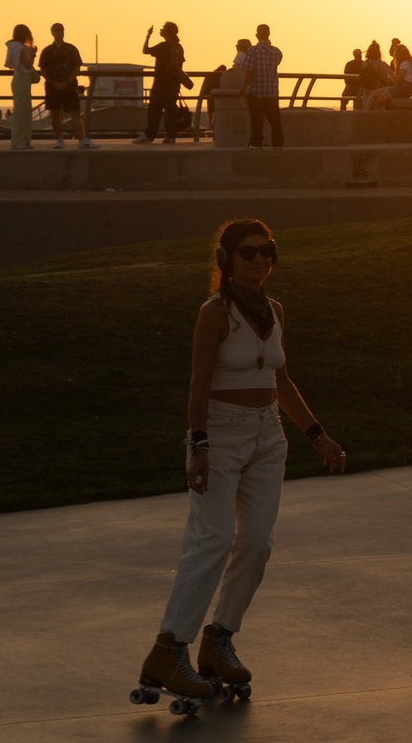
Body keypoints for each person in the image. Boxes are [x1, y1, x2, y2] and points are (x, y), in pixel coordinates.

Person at [132, 218, 348, 712]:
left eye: (266, 249)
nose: (259, 258)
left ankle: (219, 640)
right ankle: (168, 649)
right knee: (211, 539)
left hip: (268, 435)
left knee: (256, 543)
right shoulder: (215, 313)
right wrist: (199, 444)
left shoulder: (275, 310)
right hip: (221, 434)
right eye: (248, 251)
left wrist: (317, 435)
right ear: (226, 260)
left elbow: (281, 381)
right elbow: (199, 382)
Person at [37, 23, 93, 149]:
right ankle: (59, 140)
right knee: (55, 113)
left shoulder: (71, 49)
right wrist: (54, 83)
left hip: (70, 86)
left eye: (61, 30)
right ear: (52, 33)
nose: (59, 32)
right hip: (52, 87)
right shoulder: (47, 51)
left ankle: (82, 139)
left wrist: (67, 82)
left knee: (75, 112)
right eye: (57, 30)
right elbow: (43, 70)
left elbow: (77, 68)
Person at [141, 22, 192, 143]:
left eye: (163, 28)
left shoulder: (163, 46)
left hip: (161, 84)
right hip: (174, 85)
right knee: (170, 111)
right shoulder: (178, 48)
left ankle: (149, 136)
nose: (161, 30)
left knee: (154, 110)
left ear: (168, 32)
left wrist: (148, 35)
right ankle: (171, 136)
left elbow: (145, 50)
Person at [236, 23, 285, 148]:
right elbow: (277, 62)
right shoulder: (276, 52)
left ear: (257, 35)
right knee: (275, 120)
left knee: (256, 120)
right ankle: (278, 143)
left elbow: (249, 71)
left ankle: (256, 142)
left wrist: (244, 87)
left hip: (256, 91)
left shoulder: (252, 51)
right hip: (272, 92)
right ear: (269, 34)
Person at [3, 23, 37, 150]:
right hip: (23, 80)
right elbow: (28, 65)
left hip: (17, 79)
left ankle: (19, 140)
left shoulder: (12, 47)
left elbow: (9, 64)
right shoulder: (21, 49)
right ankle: (22, 141)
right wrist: (33, 53)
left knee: (20, 111)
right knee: (24, 112)